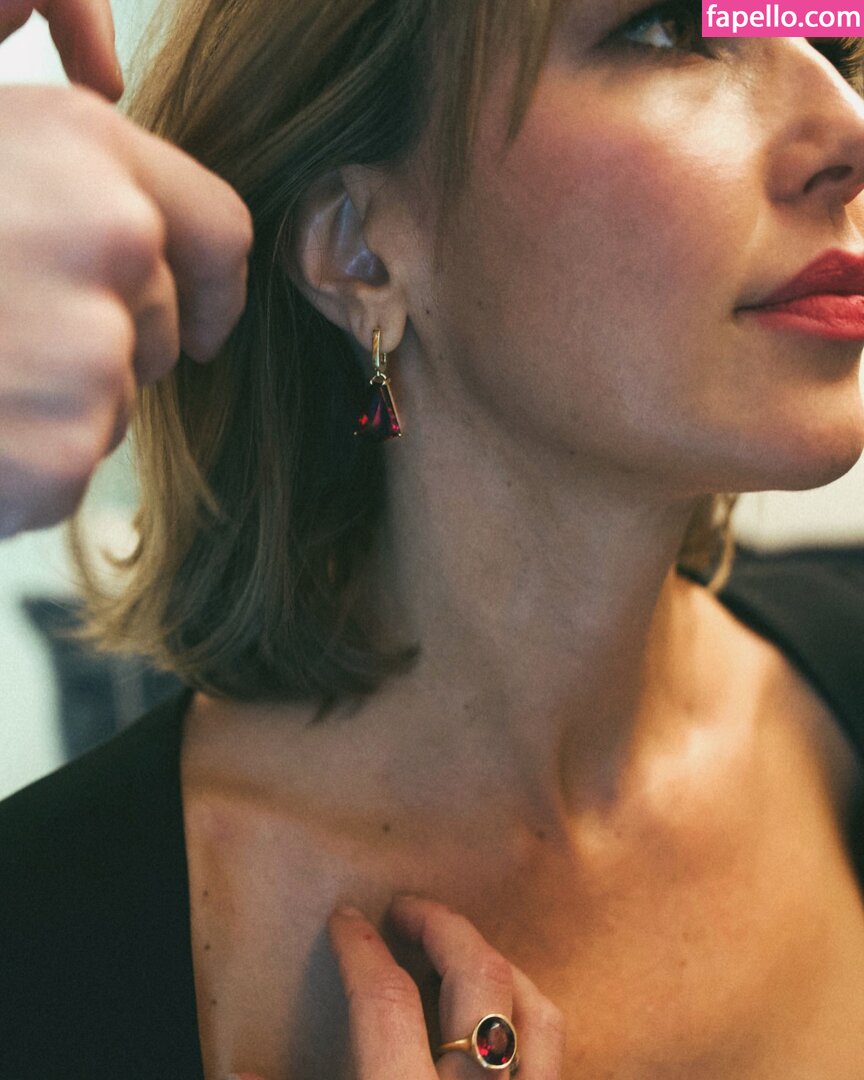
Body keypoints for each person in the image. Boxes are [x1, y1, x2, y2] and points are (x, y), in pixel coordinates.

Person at [0, 0, 863, 1077]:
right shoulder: (42, 958)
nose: (849, 125)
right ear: (360, 251)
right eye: (663, 31)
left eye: (833, 40)